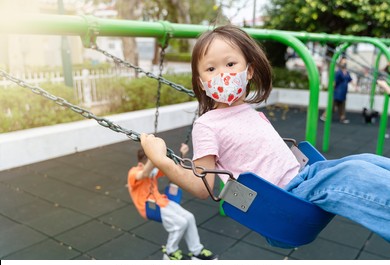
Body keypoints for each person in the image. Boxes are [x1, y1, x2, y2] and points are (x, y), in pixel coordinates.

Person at [140, 24, 390, 244]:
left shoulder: (250, 110)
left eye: (230, 64)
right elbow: (201, 185)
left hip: (305, 176)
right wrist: (161, 160)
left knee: (365, 161)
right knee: (351, 175)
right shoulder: (207, 125)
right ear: (202, 81)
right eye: (211, 69)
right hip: (287, 200)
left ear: (248, 71)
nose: (223, 75)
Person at [127, 144, 217, 260]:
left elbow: (174, 170)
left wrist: (182, 154)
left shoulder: (152, 170)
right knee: (180, 223)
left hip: (162, 202)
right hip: (149, 207)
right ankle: (170, 252)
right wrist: (153, 156)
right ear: (142, 162)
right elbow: (144, 173)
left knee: (189, 217)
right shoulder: (133, 172)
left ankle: (197, 251)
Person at [320, 57, 353, 124]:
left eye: (345, 63)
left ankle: (342, 118)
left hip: (343, 92)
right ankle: (324, 116)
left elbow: (350, 80)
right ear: (340, 64)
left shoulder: (347, 73)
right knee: (332, 105)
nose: (345, 64)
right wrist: (331, 88)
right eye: (343, 63)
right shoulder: (338, 72)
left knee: (342, 106)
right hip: (337, 91)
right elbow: (334, 82)